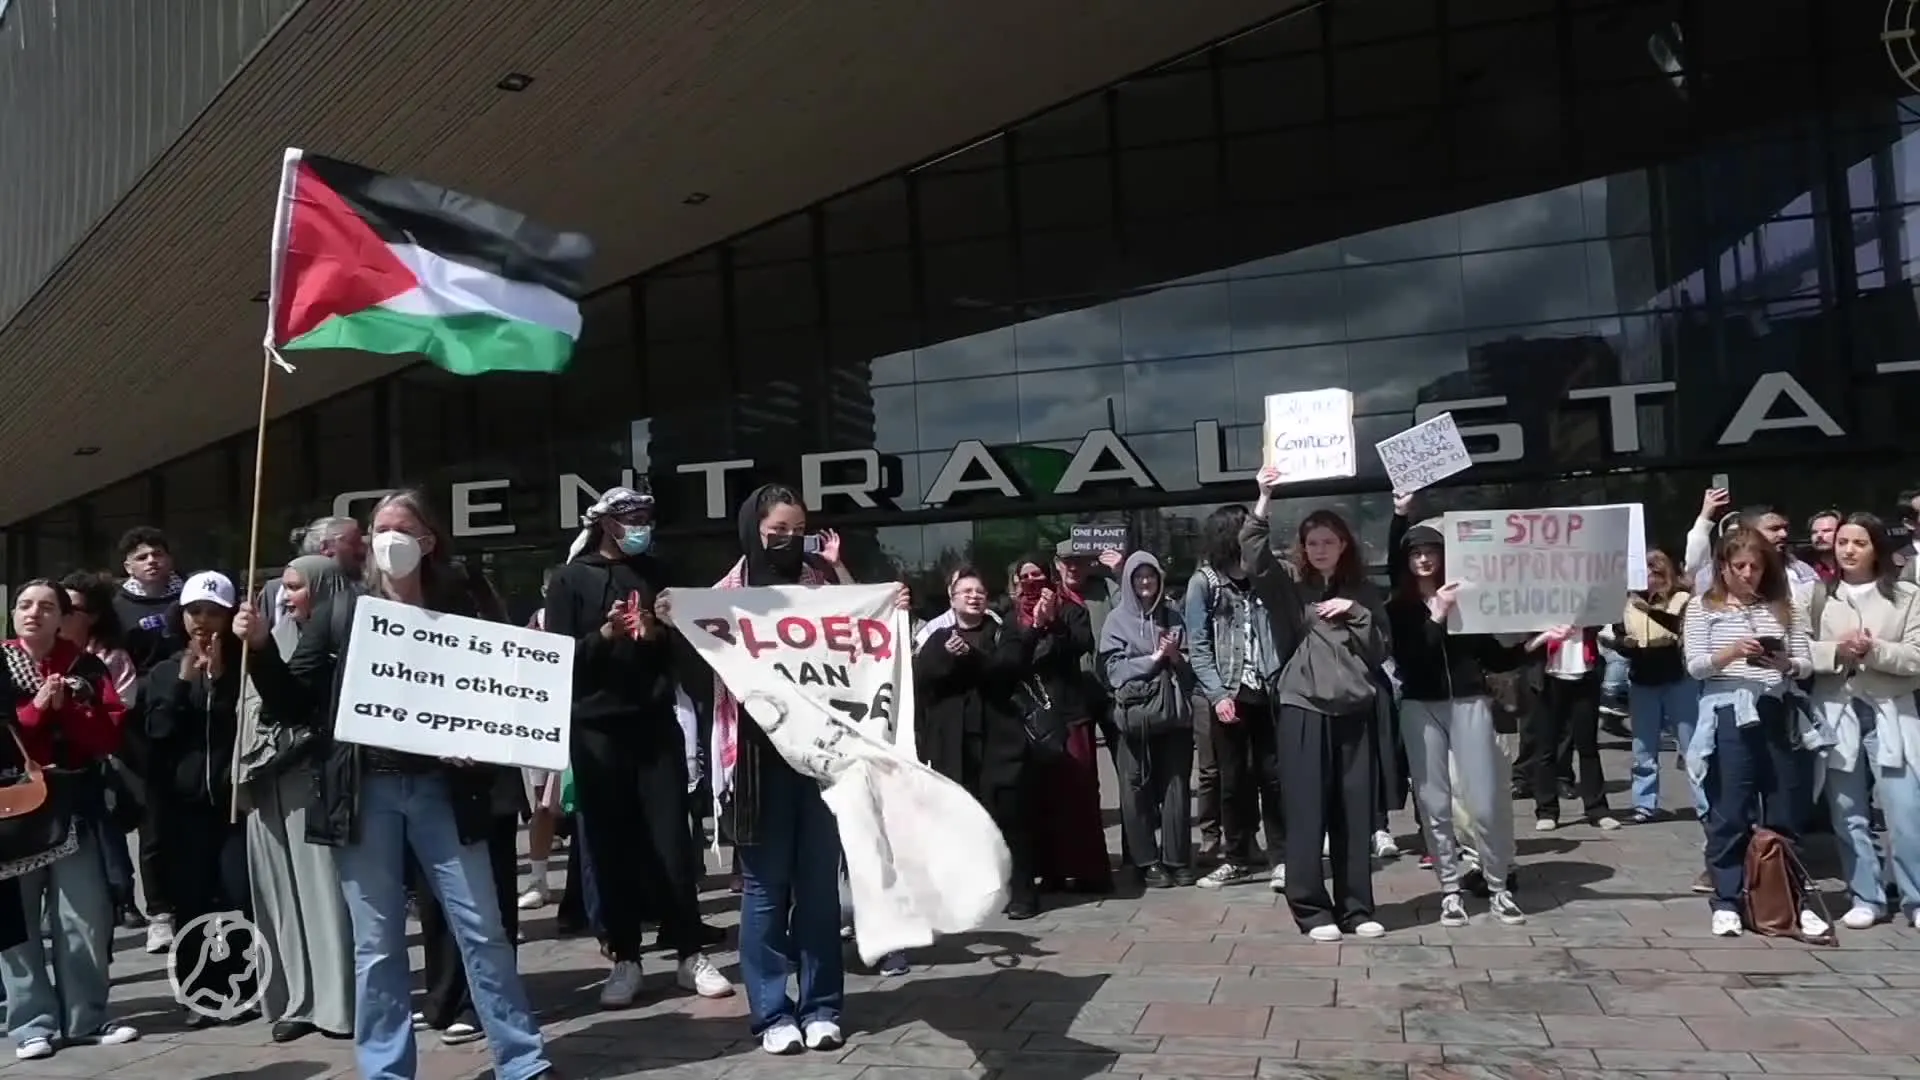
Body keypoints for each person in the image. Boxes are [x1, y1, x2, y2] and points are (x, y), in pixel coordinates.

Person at [238, 490, 553, 1080]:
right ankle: (386, 1070)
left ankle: (523, 1061)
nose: (386, 539)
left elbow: (503, 691)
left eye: (400, 528)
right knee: (376, 942)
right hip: (366, 794)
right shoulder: (345, 612)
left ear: (428, 540)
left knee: (482, 928)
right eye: (378, 528)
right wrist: (259, 650)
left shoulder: (462, 607)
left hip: (446, 791)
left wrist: (481, 746)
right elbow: (292, 702)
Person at [657, 483, 905, 1056]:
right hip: (756, 764)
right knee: (766, 891)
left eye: (798, 532)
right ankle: (771, 1011)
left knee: (818, 889)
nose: (789, 543)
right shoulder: (726, 594)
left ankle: (821, 1006)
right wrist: (678, 619)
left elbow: (862, 636)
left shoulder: (821, 586)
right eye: (777, 533)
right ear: (753, 531)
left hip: (822, 760)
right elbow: (700, 659)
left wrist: (887, 608)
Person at [546, 486, 729, 1007]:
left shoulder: (658, 574)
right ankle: (624, 957)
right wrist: (605, 635)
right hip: (596, 731)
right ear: (607, 524)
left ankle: (689, 951)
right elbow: (556, 659)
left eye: (647, 518)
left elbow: (688, 650)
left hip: (654, 725)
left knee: (672, 840)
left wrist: (656, 634)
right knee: (610, 847)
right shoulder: (570, 579)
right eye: (632, 520)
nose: (640, 528)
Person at [1241, 466, 1391, 942]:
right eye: (1311, 542)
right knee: (1307, 811)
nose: (1319, 548)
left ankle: (1356, 908)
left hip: (1354, 711)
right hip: (1304, 708)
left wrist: (1357, 613)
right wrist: (1264, 498)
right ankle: (1311, 909)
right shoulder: (1289, 585)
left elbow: (1381, 650)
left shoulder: (1365, 593)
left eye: (1328, 540)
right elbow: (1251, 556)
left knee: (1354, 811)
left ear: (1344, 544)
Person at [1, 580, 138, 1061]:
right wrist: (36, 712)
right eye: (24, 604)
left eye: (45, 606)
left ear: (63, 617)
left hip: (74, 801)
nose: (33, 613)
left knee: (83, 915)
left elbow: (108, 734)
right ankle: (30, 1023)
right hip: (12, 810)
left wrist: (69, 711)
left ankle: (86, 1018)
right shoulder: (0, 663)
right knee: (15, 925)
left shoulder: (85, 666)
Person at [1384, 505, 1525, 927]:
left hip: (1469, 702)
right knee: (1434, 802)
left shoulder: (1469, 598)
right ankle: (1450, 889)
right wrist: (1437, 614)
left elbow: (1496, 656)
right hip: (1420, 706)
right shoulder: (1399, 609)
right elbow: (1412, 660)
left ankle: (1499, 887)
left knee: (1484, 802)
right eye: (1416, 554)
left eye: (1431, 551)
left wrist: (1539, 640)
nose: (1424, 559)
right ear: (1407, 562)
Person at [1683, 528, 1825, 939]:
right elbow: (1695, 666)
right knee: (1731, 806)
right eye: (1739, 567)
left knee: (1784, 804)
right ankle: (1726, 898)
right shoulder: (1701, 608)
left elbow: (1805, 663)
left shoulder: (1785, 607)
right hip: (1728, 709)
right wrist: (1730, 652)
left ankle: (1791, 898)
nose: (1748, 574)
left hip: (1776, 706)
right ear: (1722, 568)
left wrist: (1783, 663)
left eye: (1756, 567)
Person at [239, 555, 355, 1042]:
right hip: (264, 782)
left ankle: (336, 1003)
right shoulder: (268, 634)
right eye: (282, 587)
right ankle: (294, 998)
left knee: (321, 892)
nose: (285, 598)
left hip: (313, 778)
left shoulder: (342, 635)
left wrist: (262, 648)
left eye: (296, 587)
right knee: (278, 896)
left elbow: (295, 701)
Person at [144, 571, 256, 1028]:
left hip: (233, 805)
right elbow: (156, 733)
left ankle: (241, 988)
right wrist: (182, 687)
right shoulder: (166, 671)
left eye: (213, 612)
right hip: (184, 808)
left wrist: (223, 679)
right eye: (195, 612)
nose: (203, 622)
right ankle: (197, 993)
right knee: (191, 901)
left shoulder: (245, 666)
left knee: (235, 896)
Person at [1808, 513, 1920, 930]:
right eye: (1842, 542)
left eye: (1859, 542)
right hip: (1837, 711)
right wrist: (1837, 651)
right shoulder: (1817, 595)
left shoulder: (1907, 596)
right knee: (1847, 811)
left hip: (1891, 710)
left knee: (1906, 810)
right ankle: (1865, 894)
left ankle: (1915, 896)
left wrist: (1875, 651)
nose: (1848, 550)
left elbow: (1916, 658)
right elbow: (1800, 649)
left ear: (1876, 548)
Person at [917, 566, 1042, 917]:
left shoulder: (1004, 632)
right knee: (959, 822)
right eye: (965, 591)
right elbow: (922, 679)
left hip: (999, 743)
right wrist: (948, 656)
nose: (973, 596)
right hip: (953, 746)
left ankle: (1021, 892)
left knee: (1009, 818)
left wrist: (970, 657)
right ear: (952, 599)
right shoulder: (937, 637)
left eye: (979, 591)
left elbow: (1007, 672)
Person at [1185, 505, 1288, 893]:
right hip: (1229, 690)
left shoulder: (1265, 577)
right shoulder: (1205, 583)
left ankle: (1282, 858)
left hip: (1269, 686)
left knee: (1274, 778)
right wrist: (1216, 694)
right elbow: (1198, 645)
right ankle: (1236, 858)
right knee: (1233, 781)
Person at [1008, 555, 1111, 895]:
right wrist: (1034, 626)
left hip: (1069, 713)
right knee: (1043, 798)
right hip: (1032, 717)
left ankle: (1087, 870)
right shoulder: (1011, 617)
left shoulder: (1071, 609)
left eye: (1038, 574)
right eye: (1026, 576)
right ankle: (1049, 870)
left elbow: (1082, 644)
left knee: (1078, 794)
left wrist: (1054, 622)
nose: (1033, 581)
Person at [1100, 551, 1196, 889]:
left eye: (1151, 576)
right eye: (1138, 576)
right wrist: (1153, 659)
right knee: (1135, 788)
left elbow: (1191, 669)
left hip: (1174, 716)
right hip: (1135, 717)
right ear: (1127, 580)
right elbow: (1113, 672)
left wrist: (1174, 656)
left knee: (1176, 788)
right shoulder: (1115, 620)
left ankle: (1177, 859)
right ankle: (1147, 861)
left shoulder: (1174, 616)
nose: (1145, 582)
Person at [111, 525, 186, 953]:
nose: (152, 561)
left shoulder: (191, 595)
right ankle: (160, 912)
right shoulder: (118, 608)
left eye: (158, 552)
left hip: (192, 718)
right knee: (153, 823)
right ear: (128, 566)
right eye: (141, 556)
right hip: (142, 730)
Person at [56, 571, 142, 929]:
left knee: (106, 833)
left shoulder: (107, 658)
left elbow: (121, 708)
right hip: (50, 768)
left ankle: (123, 897)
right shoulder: (34, 653)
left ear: (90, 616)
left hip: (99, 762)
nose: (60, 615)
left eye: (70, 608)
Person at [1606, 550, 1703, 833]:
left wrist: (1648, 610)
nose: (1650, 579)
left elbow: (1679, 629)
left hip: (1677, 677)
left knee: (1691, 744)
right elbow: (1619, 635)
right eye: (1645, 574)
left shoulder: (1682, 599)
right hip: (1642, 677)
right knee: (1643, 746)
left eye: (1656, 573)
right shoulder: (1626, 602)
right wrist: (1625, 644)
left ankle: (1705, 802)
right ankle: (1644, 804)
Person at [1523, 617, 1620, 834]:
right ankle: (1546, 810)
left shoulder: (1589, 610)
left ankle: (1597, 809)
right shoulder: (1539, 607)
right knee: (1546, 748)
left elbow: (1609, 620)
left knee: (1588, 747)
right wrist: (1547, 634)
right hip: (1548, 679)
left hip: (1585, 675)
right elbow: (1525, 645)